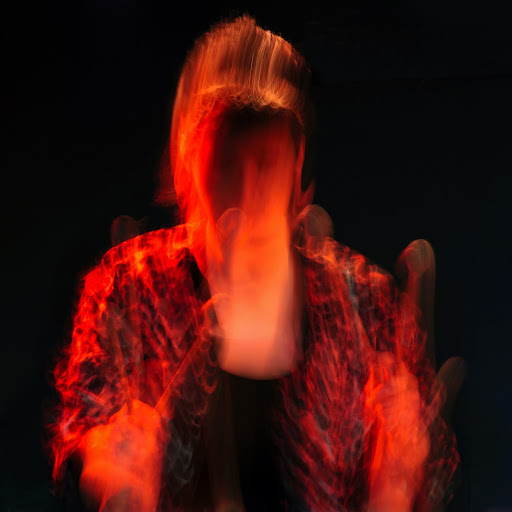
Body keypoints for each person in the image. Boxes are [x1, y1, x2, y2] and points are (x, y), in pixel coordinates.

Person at [47, 15, 463, 512]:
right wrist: (109, 480)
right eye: (226, 163)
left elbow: (427, 480)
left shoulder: (372, 313)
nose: (245, 196)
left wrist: (396, 489)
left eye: (264, 163)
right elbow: (78, 458)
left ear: (297, 171)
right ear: (187, 168)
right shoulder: (125, 291)